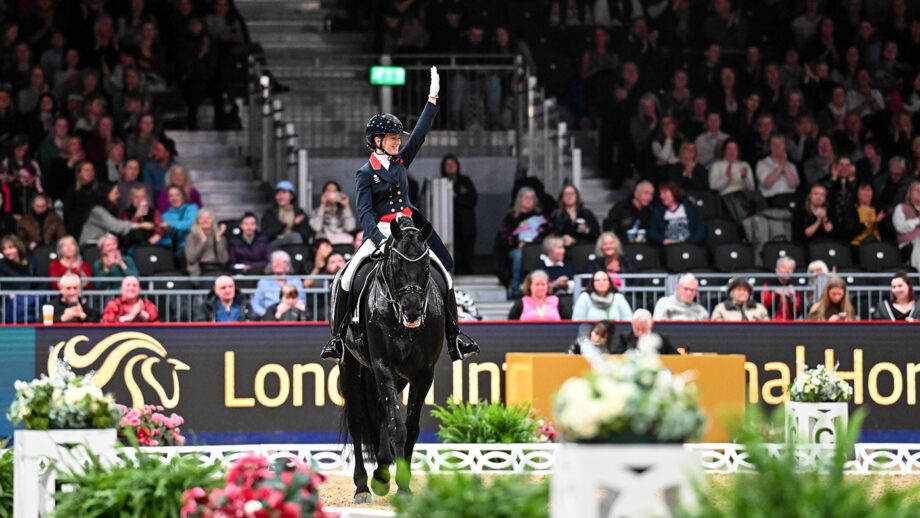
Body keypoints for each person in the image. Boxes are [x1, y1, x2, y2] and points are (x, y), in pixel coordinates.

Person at [323, 67, 479, 363]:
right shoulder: (365, 173)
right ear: (376, 141)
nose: (398, 142)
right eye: (392, 139)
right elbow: (365, 212)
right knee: (345, 279)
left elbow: (420, 133)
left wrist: (432, 99)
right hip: (380, 230)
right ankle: (338, 339)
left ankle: (455, 336)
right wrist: (376, 239)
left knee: (444, 274)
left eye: (398, 139)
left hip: (409, 227)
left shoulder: (399, 161)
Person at [498, 186, 552, 298]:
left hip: (537, 248)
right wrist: (517, 242)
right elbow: (503, 237)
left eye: (531, 198)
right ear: (519, 199)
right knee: (519, 255)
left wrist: (529, 244)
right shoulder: (511, 217)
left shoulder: (540, 217)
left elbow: (549, 233)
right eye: (525, 197)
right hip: (516, 249)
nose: (528, 200)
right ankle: (517, 288)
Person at [441, 154, 477, 274]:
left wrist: (457, 197)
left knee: (467, 254)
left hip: (466, 226)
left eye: (453, 164)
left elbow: (473, 199)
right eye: (448, 164)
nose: (451, 167)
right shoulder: (440, 183)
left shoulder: (465, 181)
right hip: (448, 227)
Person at [709, 139, 757, 222]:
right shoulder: (717, 165)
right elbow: (713, 187)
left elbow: (751, 188)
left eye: (735, 149)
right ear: (724, 150)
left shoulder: (744, 165)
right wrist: (726, 177)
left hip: (744, 198)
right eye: (729, 149)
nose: (732, 152)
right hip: (726, 200)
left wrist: (744, 177)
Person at [251, 250, 304, 316]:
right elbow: (256, 304)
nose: (278, 264)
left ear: (288, 265)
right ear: (271, 265)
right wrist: (266, 315)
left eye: (282, 261)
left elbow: (301, 302)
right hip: (268, 320)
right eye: (275, 261)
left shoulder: (296, 282)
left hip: (291, 317)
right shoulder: (263, 283)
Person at [261, 180, 313, 248]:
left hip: (294, 247)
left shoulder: (299, 213)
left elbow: (307, 235)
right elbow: (265, 235)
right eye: (278, 193)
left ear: (291, 196)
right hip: (276, 244)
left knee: (296, 237)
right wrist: (280, 225)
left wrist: (297, 225)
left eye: (284, 193)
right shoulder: (270, 213)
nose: (280, 196)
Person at [507, 270, 572, 321]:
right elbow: (511, 324)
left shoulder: (557, 301)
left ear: (547, 286)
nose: (540, 288)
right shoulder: (521, 303)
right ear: (530, 286)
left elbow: (568, 322)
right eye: (537, 284)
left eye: (543, 284)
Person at [756, 135, 801, 207]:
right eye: (774, 144)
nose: (777, 146)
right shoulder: (762, 163)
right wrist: (781, 166)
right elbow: (767, 183)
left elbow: (793, 184)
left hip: (789, 200)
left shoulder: (791, 165)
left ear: (784, 146)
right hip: (770, 202)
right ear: (769, 146)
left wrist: (785, 165)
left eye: (780, 143)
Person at [611, 309, 679, 354]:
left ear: (651, 324)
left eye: (643, 329)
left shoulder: (661, 338)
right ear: (632, 325)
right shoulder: (625, 337)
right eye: (637, 329)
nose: (640, 332)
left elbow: (676, 357)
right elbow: (615, 357)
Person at [183, 208, 229, 276]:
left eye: (208, 218)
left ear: (213, 221)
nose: (205, 220)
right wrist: (203, 241)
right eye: (201, 218)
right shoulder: (191, 237)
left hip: (217, 269)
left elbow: (224, 260)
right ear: (197, 221)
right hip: (198, 271)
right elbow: (191, 259)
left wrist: (218, 240)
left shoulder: (219, 236)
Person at [309, 180, 356, 246]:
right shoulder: (316, 211)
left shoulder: (343, 211)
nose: (331, 194)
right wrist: (322, 205)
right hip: (324, 242)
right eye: (328, 191)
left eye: (334, 191)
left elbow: (350, 228)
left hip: (342, 243)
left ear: (339, 193)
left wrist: (346, 205)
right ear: (324, 193)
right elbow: (316, 228)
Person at [194, 275, 259, 322]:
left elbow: (254, 321)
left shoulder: (245, 304)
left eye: (230, 287)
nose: (228, 290)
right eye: (223, 288)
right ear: (216, 290)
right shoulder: (207, 306)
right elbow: (200, 327)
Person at [159, 185, 198, 252]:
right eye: (171, 196)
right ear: (168, 199)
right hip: (177, 249)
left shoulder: (192, 208)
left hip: (193, 246)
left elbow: (189, 225)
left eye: (177, 195)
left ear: (183, 196)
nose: (174, 198)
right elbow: (170, 236)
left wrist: (170, 224)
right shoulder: (165, 216)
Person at [893, 181, 920, 270]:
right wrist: (917, 220)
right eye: (916, 189)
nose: (919, 191)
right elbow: (899, 227)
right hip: (908, 245)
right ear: (910, 192)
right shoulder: (901, 207)